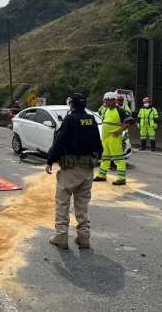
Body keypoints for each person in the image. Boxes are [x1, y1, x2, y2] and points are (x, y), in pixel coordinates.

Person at [46, 93, 103, 249]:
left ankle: (62, 237)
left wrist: (50, 160)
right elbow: (98, 143)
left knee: (62, 202)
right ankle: (84, 237)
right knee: (82, 204)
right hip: (88, 168)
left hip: (71, 169)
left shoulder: (70, 119)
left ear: (72, 104)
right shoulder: (91, 119)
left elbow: (60, 140)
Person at [94, 92, 134, 185]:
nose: (106, 102)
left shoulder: (120, 110)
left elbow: (130, 121)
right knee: (105, 157)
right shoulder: (107, 110)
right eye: (105, 100)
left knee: (118, 158)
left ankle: (121, 178)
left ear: (113, 100)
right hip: (106, 138)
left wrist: (120, 131)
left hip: (114, 138)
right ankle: (102, 175)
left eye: (107, 100)